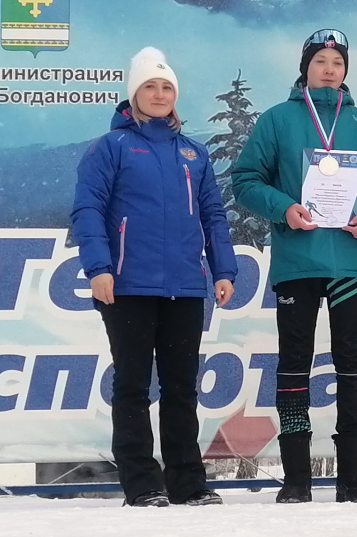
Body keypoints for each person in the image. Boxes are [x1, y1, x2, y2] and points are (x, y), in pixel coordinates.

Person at [231, 29, 357, 504]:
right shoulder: (277, 119)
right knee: (294, 364)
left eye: (337, 62)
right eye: (320, 60)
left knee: (351, 362)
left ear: (346, 70)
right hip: (297, 261)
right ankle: (296, 478)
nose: (329, 69)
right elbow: (245, 180)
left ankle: (352, 478)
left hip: (350, 261)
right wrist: (283, 208)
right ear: (305, 67)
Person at [72, 47, 237, 508]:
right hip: (128, 285)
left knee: (182, 388)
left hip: (185, 286)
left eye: (167, 87)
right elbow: (88, 209)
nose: (160, 94)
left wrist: (223, 269)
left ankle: (188, 483)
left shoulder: (193, 153)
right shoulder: (111, 147)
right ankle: (142, 483)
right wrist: (99, 268)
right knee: (132, 386)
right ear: (134, 94)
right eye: (150, 86)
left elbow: (213, 214)